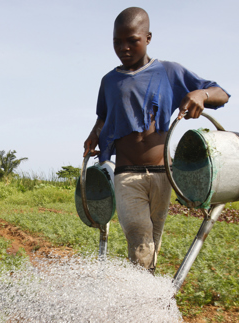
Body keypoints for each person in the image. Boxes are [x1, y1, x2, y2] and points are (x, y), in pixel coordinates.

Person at [83, 7, 229, 272]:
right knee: (140, 238)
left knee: (152, 242)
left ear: (148, 38)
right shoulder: (109, 81)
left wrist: (201, 96)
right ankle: (144, 300)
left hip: (163, 175)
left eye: (132, 40)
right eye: (117, 42)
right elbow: (104, 117)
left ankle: (146, 297)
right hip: (127, 175)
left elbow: (221, 94)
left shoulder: (169, 72)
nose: (123, 48)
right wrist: (94, 135)